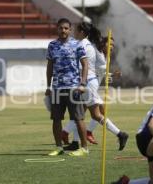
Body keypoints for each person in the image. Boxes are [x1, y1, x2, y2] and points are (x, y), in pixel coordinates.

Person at [61, 22, 129, 151]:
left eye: (75, 30)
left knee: (96, 115)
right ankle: (75, 142)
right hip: (87, 82)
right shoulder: (88, 45)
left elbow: (82, 66)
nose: (73, 32)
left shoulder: (83, 45)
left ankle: (120, 134)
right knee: (79, 114)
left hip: (86, 83)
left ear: (81, 32)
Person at [45, 18, 89, 156]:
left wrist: (82, 83)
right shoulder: (52, 45)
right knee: (56, 118)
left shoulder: (77, 44)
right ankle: (59, 147)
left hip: (73, 87)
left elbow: (85, 64)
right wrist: (48, 86)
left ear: (70, 30)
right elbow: (50, 66)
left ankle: (84, 148)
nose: (63, 30)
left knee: (78, 118)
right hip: (57, 88)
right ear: (57, 29)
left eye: (66, 28)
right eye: (60, 28)